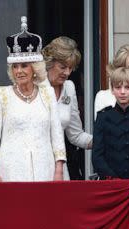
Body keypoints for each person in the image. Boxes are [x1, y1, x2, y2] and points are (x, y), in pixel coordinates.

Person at [0, 17, 66, 182]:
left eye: (24, 66)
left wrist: (59, 171)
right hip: (10, 171)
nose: (19, 71)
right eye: (15, 66)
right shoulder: (1, 95)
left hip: (45, 169)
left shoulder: (47, 94)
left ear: (34, 69)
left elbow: (57, 135)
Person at [42, 36, 92, 180]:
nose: (67, 73)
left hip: (60, 166)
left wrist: (103, 141)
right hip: (34, 163)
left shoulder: (69, 88)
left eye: (70, 68)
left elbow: (76, 135)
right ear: (49, 63)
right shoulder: (34, 86)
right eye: (63, 67)